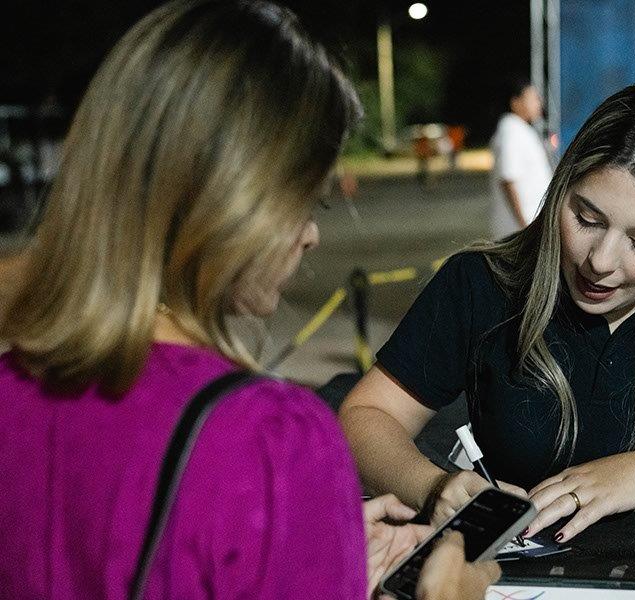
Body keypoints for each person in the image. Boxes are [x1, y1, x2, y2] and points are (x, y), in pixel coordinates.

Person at [0, 1, 500, 598]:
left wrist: (315, 561)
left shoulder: (14, 385)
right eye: (305, 202)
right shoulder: (272, 442)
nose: (311, 234)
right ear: (236, 199)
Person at [340, 79, 635, 545]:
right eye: (586, 218)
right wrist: (434, 486)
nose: (600, 261)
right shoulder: (482, 284)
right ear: (561, 187)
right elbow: (365, 415)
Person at [488, 79, 553, 239]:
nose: (539, 103)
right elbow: (508, 179)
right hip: (520, 229)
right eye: (533, 98)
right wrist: (525, 227)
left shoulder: (520, 129)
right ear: (515, 102)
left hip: (528, 225)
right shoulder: (511, 131)